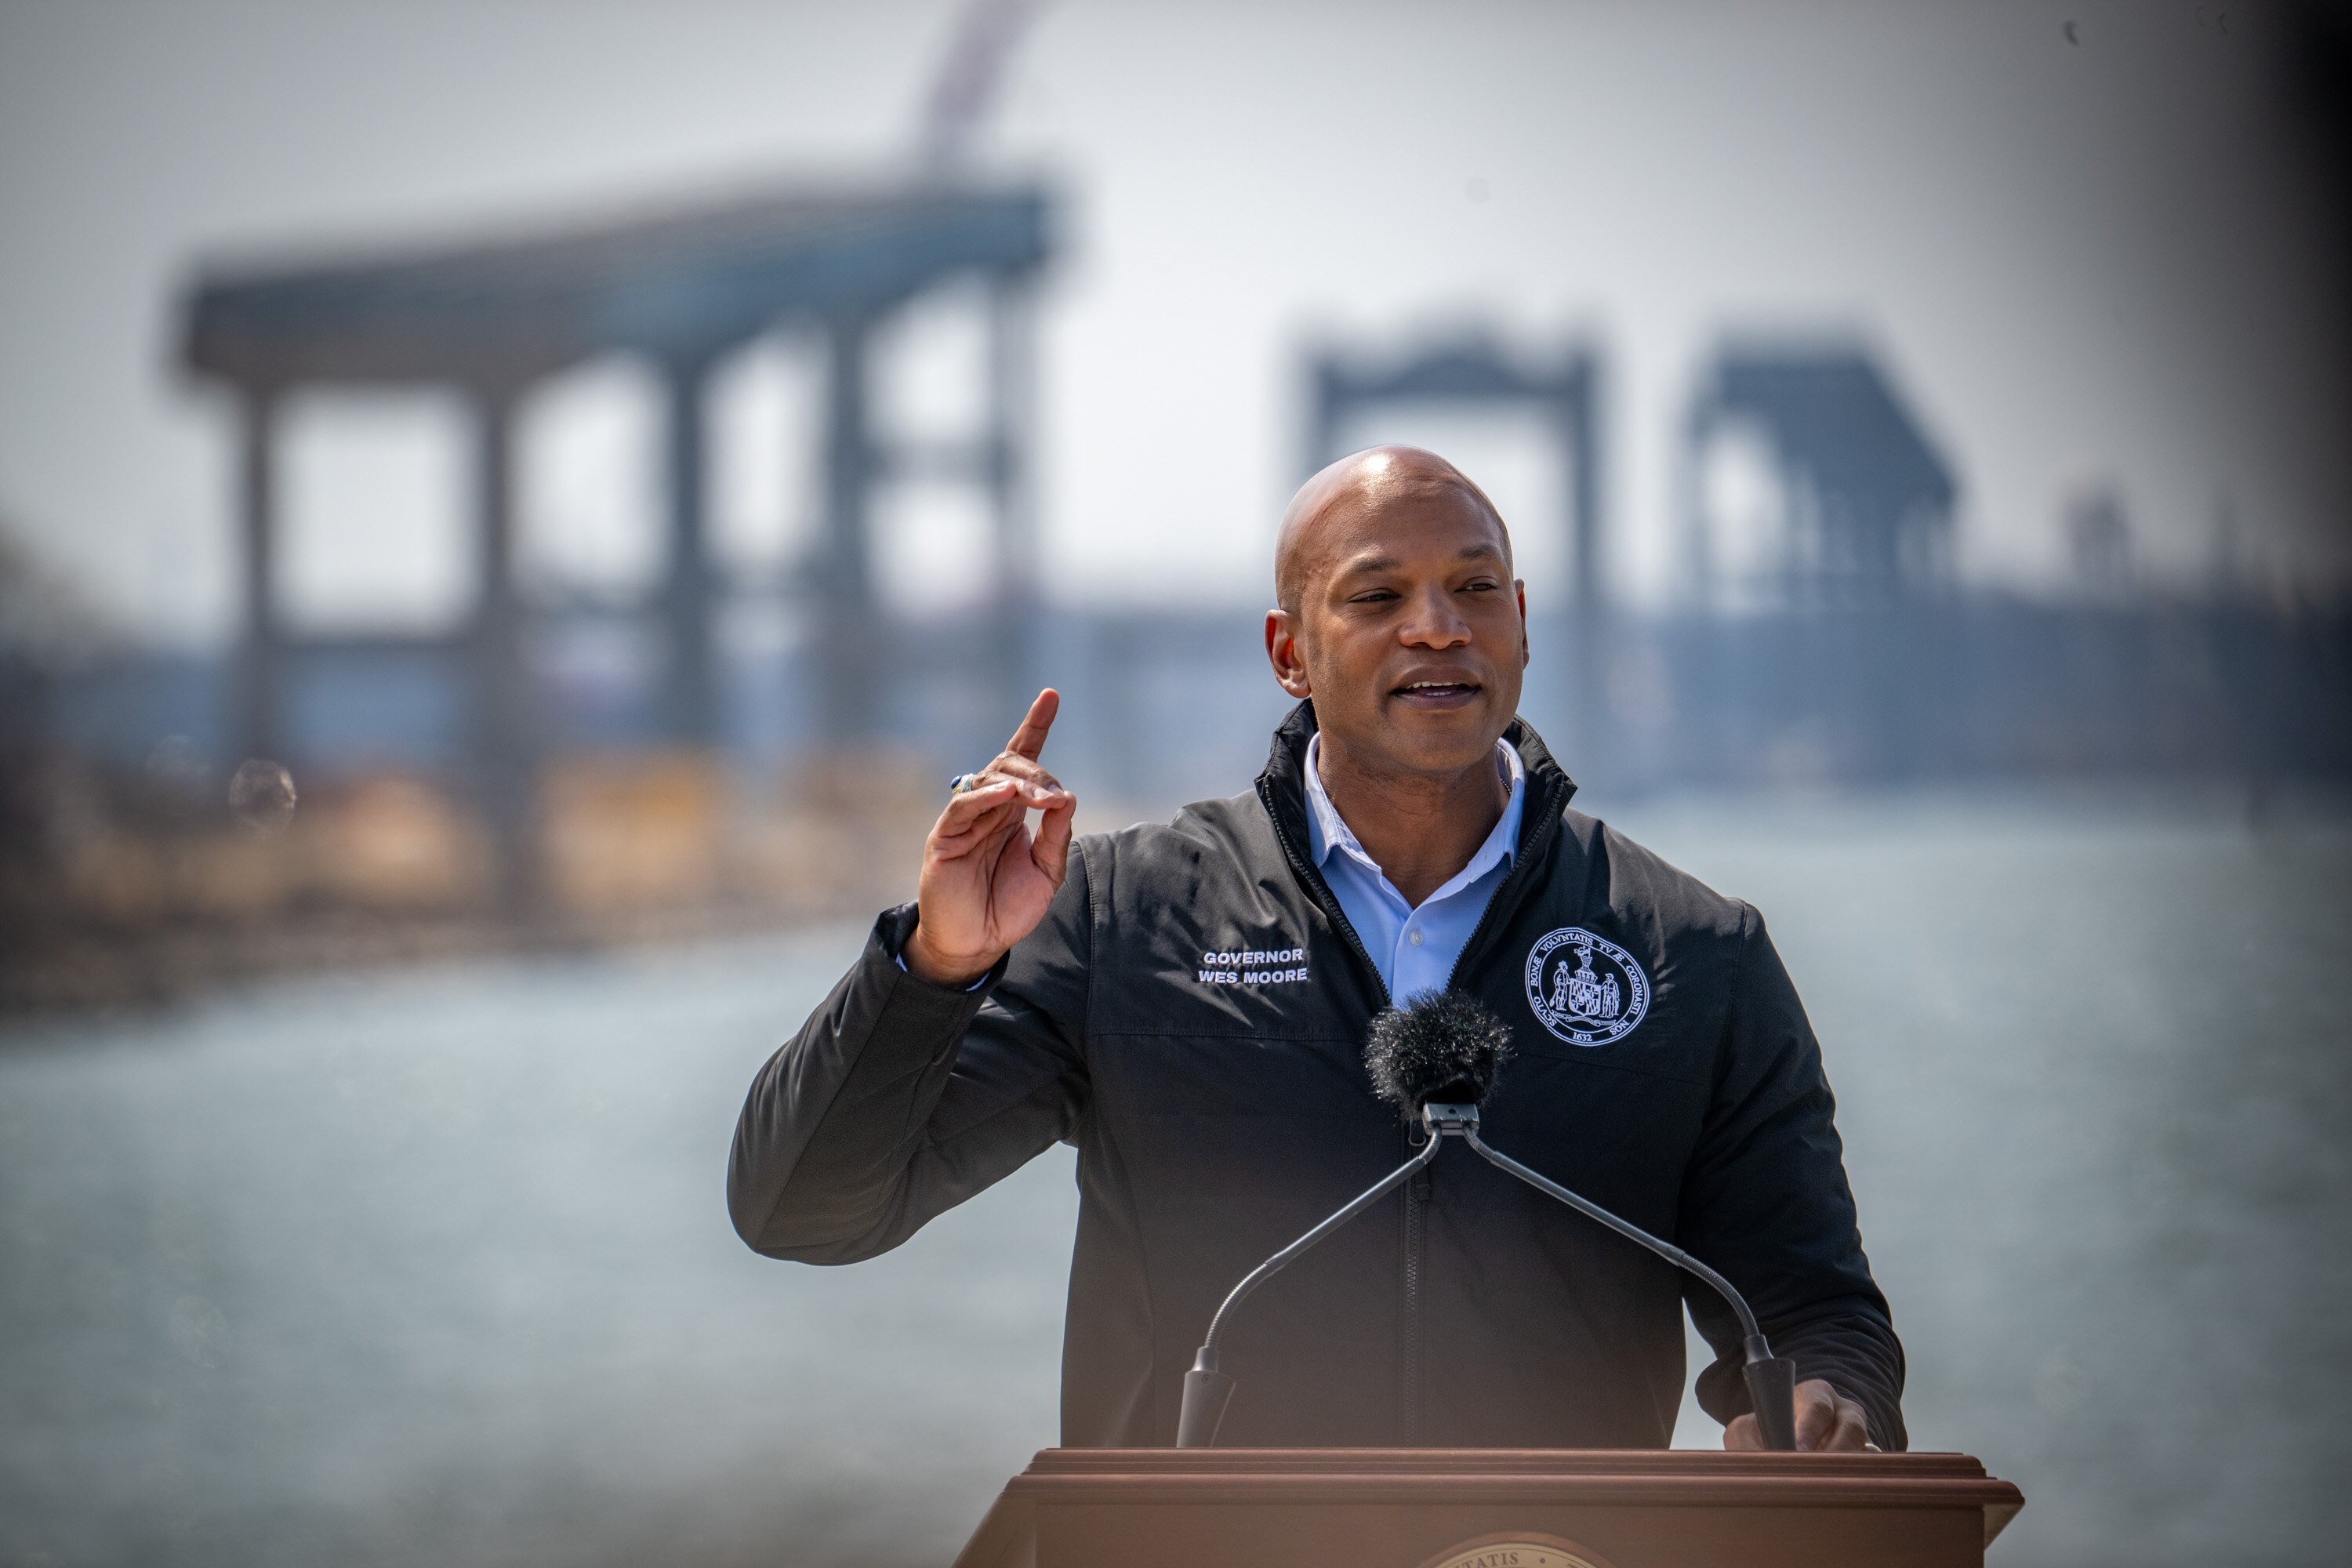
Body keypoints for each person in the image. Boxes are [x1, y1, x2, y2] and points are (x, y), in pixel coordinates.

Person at [728, 446, 1903, 1452]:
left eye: (1475, 589)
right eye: (1378, 595)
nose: (1437, 625)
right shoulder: (1121, 921)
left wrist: (1822, 1403)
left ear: (1523, 628)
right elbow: (804, 1212)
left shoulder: (1695, 952)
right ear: (1290, 652)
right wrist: (934, 969)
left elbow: (1817, 1312)